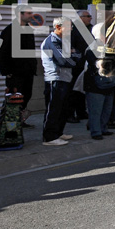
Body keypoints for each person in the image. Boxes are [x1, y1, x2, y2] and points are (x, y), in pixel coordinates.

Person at [0, 5, 38, 127]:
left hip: (28, 71)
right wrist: (6, 71)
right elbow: (2, 51)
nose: (31, 15)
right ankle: (8, 124)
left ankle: (19, 121)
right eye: (29, 13)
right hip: (15, 72)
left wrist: (33, 66)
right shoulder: (9, 31)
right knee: (14, 98)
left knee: (26, 95)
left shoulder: (28, 29)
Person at [40, 17, 78, 146]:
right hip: (55, 79)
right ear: (58, 27)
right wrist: (72, 57)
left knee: (63, 108)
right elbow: (63, 60)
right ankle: (49, 137)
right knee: (54, 109)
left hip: (65, 78)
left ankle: (58, 133)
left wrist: (72, 56)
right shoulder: (51, 41)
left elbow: (78, 55)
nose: (71, 29)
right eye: (68, 27)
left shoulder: (64, 41)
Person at [82, 45, 115, 140]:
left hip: (109, 84)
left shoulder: (110, 48)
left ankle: (103, 129)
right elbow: (96, 64)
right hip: (95, 85)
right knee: (95, 111)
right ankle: (96, 132)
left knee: (107, 109)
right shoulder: (91, 49)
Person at [65, 10, 93, 123]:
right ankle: (70, 114)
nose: (90, 18)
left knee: (82, 89)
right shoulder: (73, 30)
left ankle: (81, 112)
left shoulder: (90, 29)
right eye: (88, 16)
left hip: (86, 64)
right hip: (75, 65)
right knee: (72, 90)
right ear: (80, 18)